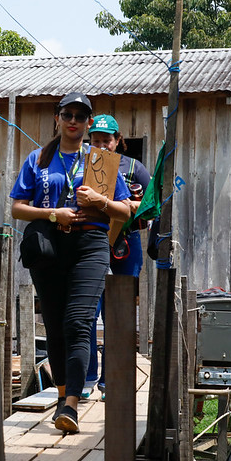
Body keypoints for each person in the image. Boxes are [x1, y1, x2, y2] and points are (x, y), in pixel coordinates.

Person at [10, 94, 131, 434]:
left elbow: (125, 210)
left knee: (79, 321)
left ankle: (72, 404)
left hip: (90, 244)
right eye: (68, 114)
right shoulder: (39, 159)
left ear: (89, 123)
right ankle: (63, 394)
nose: (74, 120)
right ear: (58, 118)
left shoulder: (102, 160)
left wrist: (100, 200)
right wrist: (52, 212)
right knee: (55, 323)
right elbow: (17, 207)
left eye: (80, 116)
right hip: (49, 244)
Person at [84, 114, 152, 401]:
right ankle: (86, 376)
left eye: (106, 140)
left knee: (119, 311)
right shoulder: (82, 164)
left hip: (125, 243)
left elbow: (152, 206)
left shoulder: (134, 168)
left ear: (117, 140)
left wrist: (128, 206)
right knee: (88, 311)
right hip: (90, 241)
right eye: (96, 140)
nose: (101, 145)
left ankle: (110, 377)